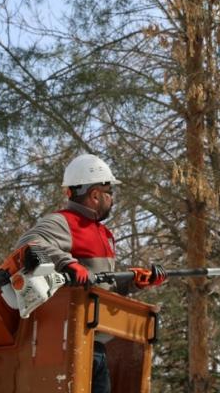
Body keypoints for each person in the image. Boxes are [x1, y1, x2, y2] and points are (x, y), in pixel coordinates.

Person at [14, 153, 166, 393]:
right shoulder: (63, 222)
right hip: (66, 345)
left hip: (97, 346)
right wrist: (68, 263)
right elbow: (28, 244)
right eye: (110, 193)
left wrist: (135, 283)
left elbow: (102, 287)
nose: (112, 199)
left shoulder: (105, 234)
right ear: (95, 195)